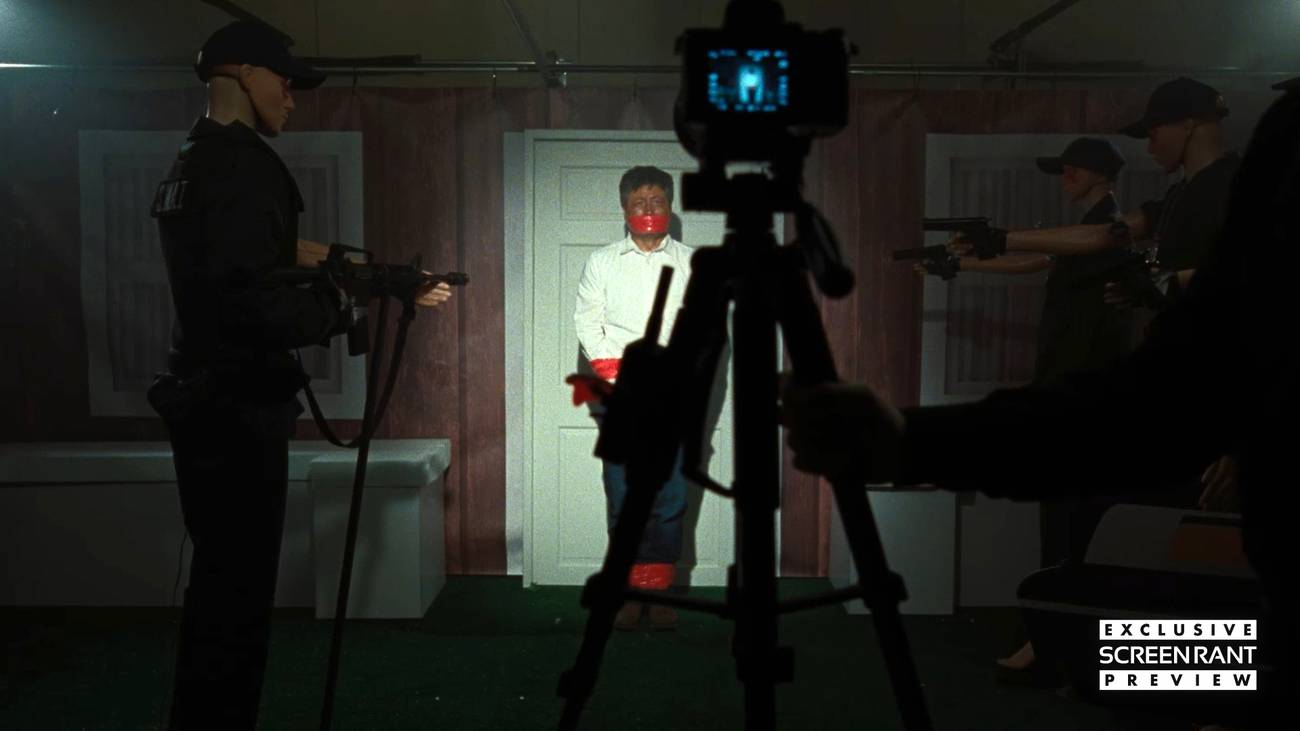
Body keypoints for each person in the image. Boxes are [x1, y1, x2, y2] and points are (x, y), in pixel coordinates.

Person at [782, 78, 1300, 730]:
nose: (1149, 142)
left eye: (1155, 129)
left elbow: (1181, 371)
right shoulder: (1190, 196)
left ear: (1192, 123)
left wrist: (914, 442)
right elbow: (1126, 285)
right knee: (1180, 637)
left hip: (1213, 439)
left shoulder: (1242, 180)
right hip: (1200, 441)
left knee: (1197, 632)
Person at [149, 20, 450, 731]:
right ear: (241, 73)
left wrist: (379, 273)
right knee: (236, 597)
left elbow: (271, 251)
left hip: (206, 401)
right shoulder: (241, 165)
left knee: (222, 589)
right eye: (284, 82)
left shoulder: (198, 159)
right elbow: (253, 301)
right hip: (236, 407)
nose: (291, 97)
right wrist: (340, 308)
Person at [920, 137, 1136, 682]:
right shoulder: (1087, 232)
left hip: (1083, 397)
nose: (1065, 179)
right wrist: (963, 263)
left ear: (1098, 175)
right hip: (1072, 392)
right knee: (1062, 521)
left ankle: (1055, 642)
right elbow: (1037, 260)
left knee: (1071, 524)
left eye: (1072, 171)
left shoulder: (1108, 229)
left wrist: (985, 247)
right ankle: (1051, 638)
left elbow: (1053, 251)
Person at [573, 166, 693, 631]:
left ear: (670, 206)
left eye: (657, 200)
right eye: (638, 201)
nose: (648, 208)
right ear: (624, 207)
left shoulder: (691, 263)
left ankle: (657, 594)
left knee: (670, 495)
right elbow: (589, 322)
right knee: (624, 494)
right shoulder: (602, 262)